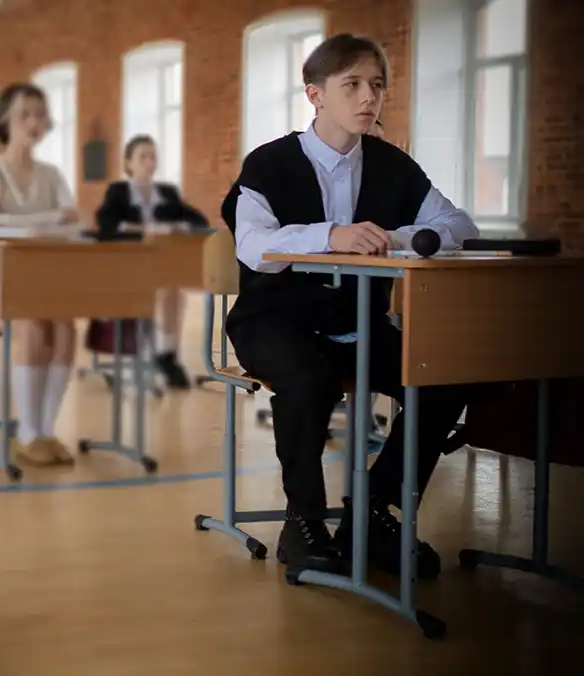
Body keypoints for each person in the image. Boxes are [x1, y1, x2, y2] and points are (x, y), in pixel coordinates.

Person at [221, 34, 477, 579]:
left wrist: (396, 237)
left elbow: (460, 226)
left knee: (442, 378)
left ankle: (372, 514)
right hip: (272, 321)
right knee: (307, 380)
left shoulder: (392, 164)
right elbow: (253, 247)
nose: (369, 97)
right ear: (315, 95)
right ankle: (304, 522)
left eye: (377, 86)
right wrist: (332, 235)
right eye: (353, 84)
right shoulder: (268, 164)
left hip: (357, 325)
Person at [0, 82, 82, 468]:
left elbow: (73, 223)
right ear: (4, 120)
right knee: (32, 324)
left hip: (41, 281)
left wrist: (30, 226)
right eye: (24, 114)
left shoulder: (51, 174)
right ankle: (28, 434)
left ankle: (44, 431)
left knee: (65, 327)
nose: (34, 122)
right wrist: (46, 221)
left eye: (40, 114)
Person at [94, 134, 209, 389]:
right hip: (125, 264)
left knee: (174, 291)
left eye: (153, 156)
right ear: (129, 162)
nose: (149, 162)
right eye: (143, 157)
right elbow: (106, 225)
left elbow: (198, 220)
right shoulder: (119, 191)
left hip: (162, 265)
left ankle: (166, 354)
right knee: (162, 289)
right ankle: (156, 354)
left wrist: (180, 227)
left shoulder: (166, 192)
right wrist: (145, 230)